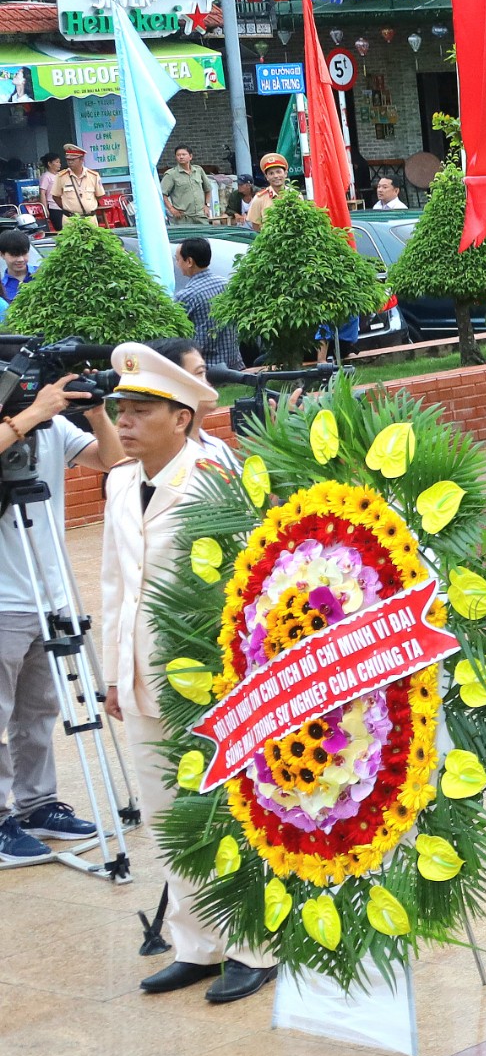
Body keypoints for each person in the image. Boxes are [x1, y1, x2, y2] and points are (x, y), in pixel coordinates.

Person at [101, 345, 274, 1001]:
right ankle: (196, 943)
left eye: (142, 411)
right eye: (122, 410)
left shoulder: (212, 476)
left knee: (227, 813)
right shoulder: (119, 481)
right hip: (144, 677)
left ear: (181, 417)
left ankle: (255, 945)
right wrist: (116, 674)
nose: (126, 422)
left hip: (209, 678)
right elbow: (117, 582)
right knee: (168, 814)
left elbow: (248, 583)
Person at [0, 373, 116, 868]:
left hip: (51, 596)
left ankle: (37, 804)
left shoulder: (53, 430)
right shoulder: (29, 419)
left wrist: (95, 412)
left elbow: (113, 461)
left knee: (39, 711)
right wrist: (30, 414)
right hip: (3, 599)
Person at [171, 238, 241, 373]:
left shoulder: (186, 295)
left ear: (189, 262)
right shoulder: (227, 284)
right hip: (234, 363)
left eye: (178, 259)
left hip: (206, 369)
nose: (177, 263)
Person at [159, 144, 214, 225]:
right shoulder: (171, 174)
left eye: (183, 154)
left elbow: (208, 189)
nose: (181, 157)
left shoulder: (198, 170)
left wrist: (207, 205)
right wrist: (171, 209)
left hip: (200, 216)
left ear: (190, 156)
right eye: (178, 155)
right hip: (182, 217)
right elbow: (162, 194)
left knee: (203, 237)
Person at [54, 144, 100, 227]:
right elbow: (55, 196)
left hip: (89, 219)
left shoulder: (93, 176)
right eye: (68, 160)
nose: (69, 162)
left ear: (81, 159)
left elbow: (99, 195)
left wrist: (88, 205)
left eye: (73, 159)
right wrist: (68, 208)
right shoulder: (61, 176)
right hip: (70, 220)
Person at [244, 152, 290, 229]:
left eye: (278, 172)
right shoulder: (259, 198)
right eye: (271, 173)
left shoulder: (295, 195)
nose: (275, 176)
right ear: (266, 177)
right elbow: (256, 227)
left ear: (285, 173)